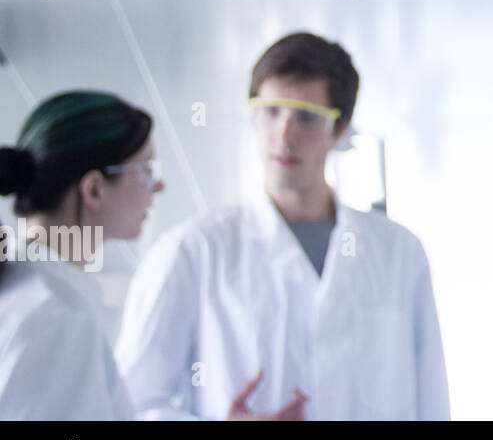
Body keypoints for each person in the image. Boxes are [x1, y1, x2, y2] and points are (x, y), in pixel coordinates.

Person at [114, 32, 450, 420]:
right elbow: (131, 405)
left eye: (306, 117)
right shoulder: (193, 251)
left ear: (339, 131)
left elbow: (432, 403)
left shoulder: (399, 252)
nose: (285, 135)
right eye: (271, 111)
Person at [0, 91, 163, 420]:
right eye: (145, 170)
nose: (158, 187)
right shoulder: (56, 319)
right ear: (93, 189)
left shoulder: (28, 290)